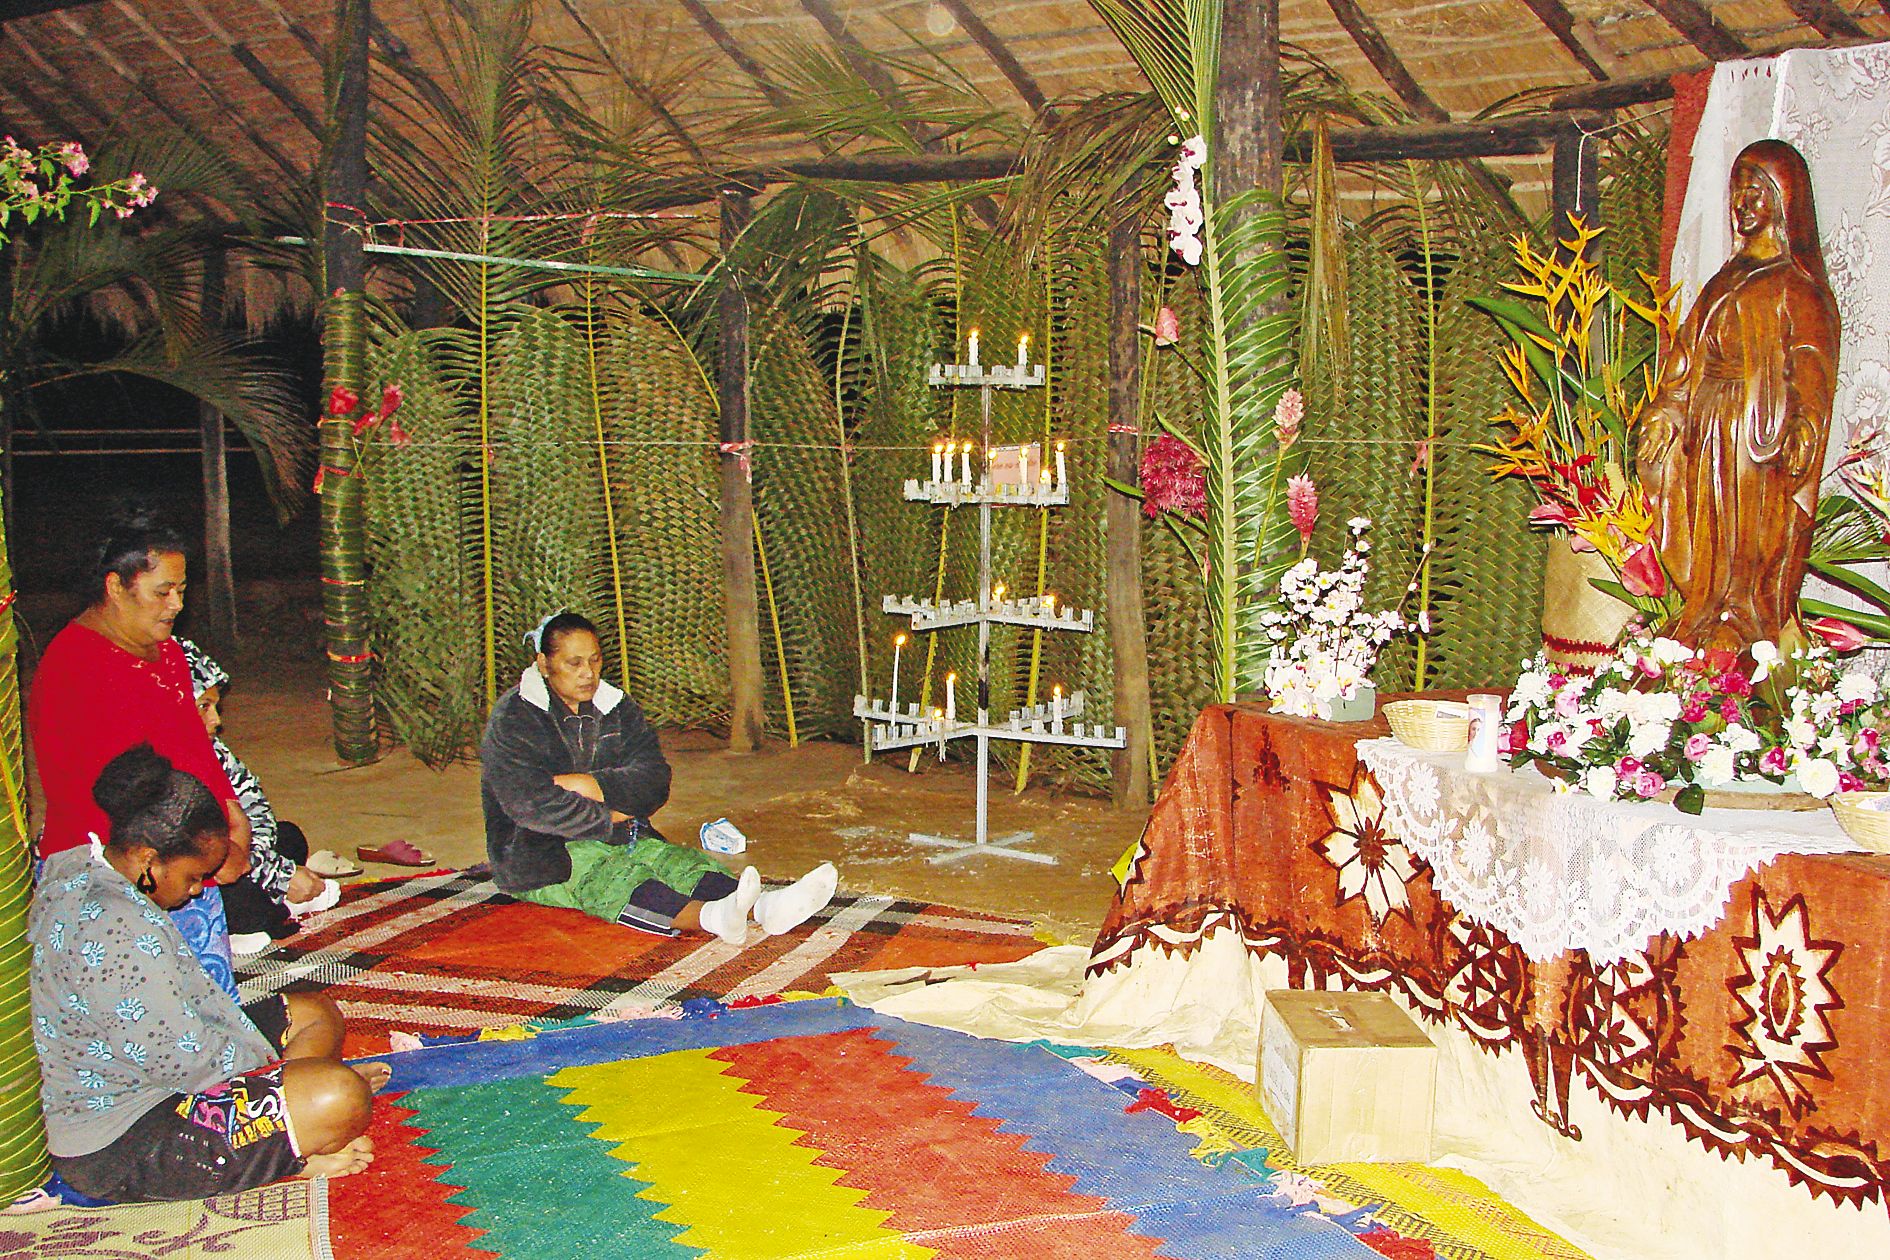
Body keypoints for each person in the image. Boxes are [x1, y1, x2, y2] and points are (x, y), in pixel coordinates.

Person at [30, 745, 384, 1203]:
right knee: (340, 1096)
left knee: (313, 1011)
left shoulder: (83, 865)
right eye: (195, 876)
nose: (198, 890)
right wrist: (292, 1079)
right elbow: (186, 1062)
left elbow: (185, 1023)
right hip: (124, 1140)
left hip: (168, 1067)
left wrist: (284, 1078)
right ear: (146, 859)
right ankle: (297, 1146)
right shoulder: (114, 925)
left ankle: (294, 1123)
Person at [480, 611, 836, 942]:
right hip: (538, 852)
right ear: (544, 664)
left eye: (595, 659)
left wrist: (593, 785)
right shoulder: (516, 718)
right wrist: (609, 817)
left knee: (676, 862)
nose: (588, 672)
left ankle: (767, 909)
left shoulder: (616, 707)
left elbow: (653, 779)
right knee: (610, 875)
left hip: (623, 832)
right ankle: (713, 917)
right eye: (573, 663)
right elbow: (529, 803)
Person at [1638, 139, 1840, 654]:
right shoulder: (1722, 281)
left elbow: (1812, 369)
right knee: (1708, 535)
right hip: (1707, 426)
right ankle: (1704, 612)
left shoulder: (1797, 287)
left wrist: (1804, 429)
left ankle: (1747, 622)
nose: (1743, 204)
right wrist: (1665, 413)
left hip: (1757, 438)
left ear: (1783, 201)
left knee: (1750, 538)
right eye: (1737, 192)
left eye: (1757, 192)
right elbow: (1684, 361)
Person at [27, 513, 251, 873]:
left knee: (281, 843)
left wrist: (230, 812)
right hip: (125, 856)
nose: (176, 604)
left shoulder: (168, 651)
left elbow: (194, 746)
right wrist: (207, 851)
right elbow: (120, 797)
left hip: (188, 835)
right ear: (115, 587)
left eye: (180, 591)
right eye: (163, 592)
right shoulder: (76, 668)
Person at [178, 639, 339, 953]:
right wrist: (279, 876)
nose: (216, 721)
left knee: (289, 835)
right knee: (242, 899)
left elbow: (253, 805)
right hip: (202, 869)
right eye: (204, 707)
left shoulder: (212, 749)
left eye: (215, 707)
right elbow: (202, 851)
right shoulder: (161, 759)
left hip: (239, 858)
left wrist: (272, 868)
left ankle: (267, 902)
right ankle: (265, 912)